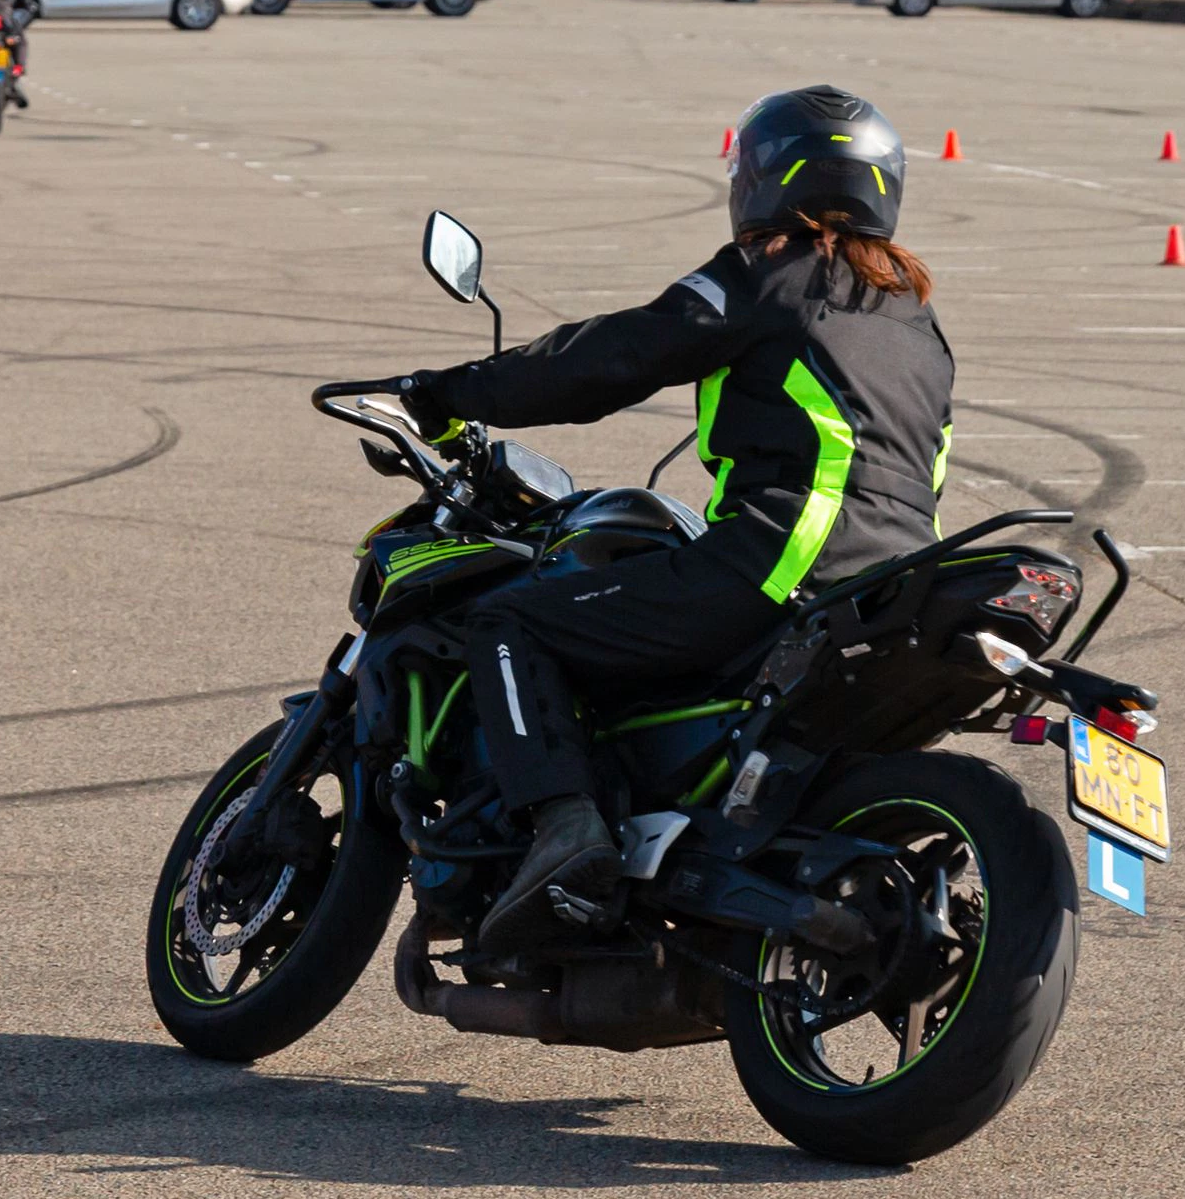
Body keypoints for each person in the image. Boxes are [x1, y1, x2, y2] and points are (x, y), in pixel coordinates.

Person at [396, 85, 956, 951]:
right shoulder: (917, 319)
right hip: (893, 585)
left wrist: (457, 392)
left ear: (768, 179)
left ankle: (565, 828)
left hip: (776, 562)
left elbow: (616, 355)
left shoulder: (770, 272)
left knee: (510, 621)